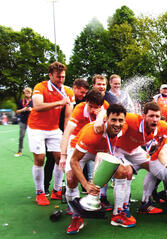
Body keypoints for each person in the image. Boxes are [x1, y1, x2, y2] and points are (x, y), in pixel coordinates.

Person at [66, 103, 134, 234]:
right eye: (113, 120)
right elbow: (74, 160)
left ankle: (117, 214)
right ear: (106, 119)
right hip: (81, 152)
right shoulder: (92, 133)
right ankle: (76, 217)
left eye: (120, 120)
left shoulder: (123, 126)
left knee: (123, 172)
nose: (117, 124)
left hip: (102, 151)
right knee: (71, 179)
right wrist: (85, 184)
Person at [28, 61, 74, 206]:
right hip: (36, 127)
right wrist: (59, 102)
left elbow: (68, 117)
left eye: (63, 77)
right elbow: (37, 106)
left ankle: (56, 189)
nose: (61, 80)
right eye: (58, 77)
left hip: (54, 129)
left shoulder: (68, 91)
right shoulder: (40, 87)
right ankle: (40, 192)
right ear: (50, 75)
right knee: (40, 159)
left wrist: (66, 135)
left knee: (60, 158)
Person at [59, 89, 111, 213]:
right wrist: (63, 155)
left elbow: (105, 124)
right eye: (91, 106)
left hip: (98, 145)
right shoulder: (78, 109)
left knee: (106, 174)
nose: (93, 110)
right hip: (78, 144)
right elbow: (67, 132)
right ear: (86, 102)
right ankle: (74, 207)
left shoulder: (106, 106)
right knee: (71, 178)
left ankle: (102, 200)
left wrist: (100, 117)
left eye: (96, 107)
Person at [15, 87, 33, 157]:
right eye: (26, 92)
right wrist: (24, 109)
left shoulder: (33, 101)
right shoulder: (21, 101)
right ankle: (19, 151)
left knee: (32, 137)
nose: (27, 94)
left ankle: (35, 151)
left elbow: (38, 111)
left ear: (31, 93)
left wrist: (32, 110)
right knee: (21, 136)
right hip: (23, 121)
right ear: (24, 93)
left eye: (29, 92)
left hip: (32, 122)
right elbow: (17, 111)